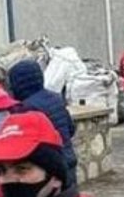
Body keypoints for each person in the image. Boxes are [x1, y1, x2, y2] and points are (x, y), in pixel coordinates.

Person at [8, 58, 78, 186]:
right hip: (68, 160)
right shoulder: (56, 98)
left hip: (48, 168)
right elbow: (71, 128)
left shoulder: (25, 108)